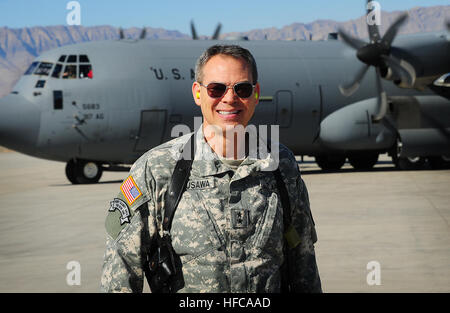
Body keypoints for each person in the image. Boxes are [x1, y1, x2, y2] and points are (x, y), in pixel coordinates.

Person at [100, 44, 322, 293]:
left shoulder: (281, 165)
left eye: (243, 89)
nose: (230, 98)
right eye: (216, 88)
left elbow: (304, 263)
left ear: (256, 94)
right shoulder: (157, 169)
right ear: (197, 93)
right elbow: (120, 275)